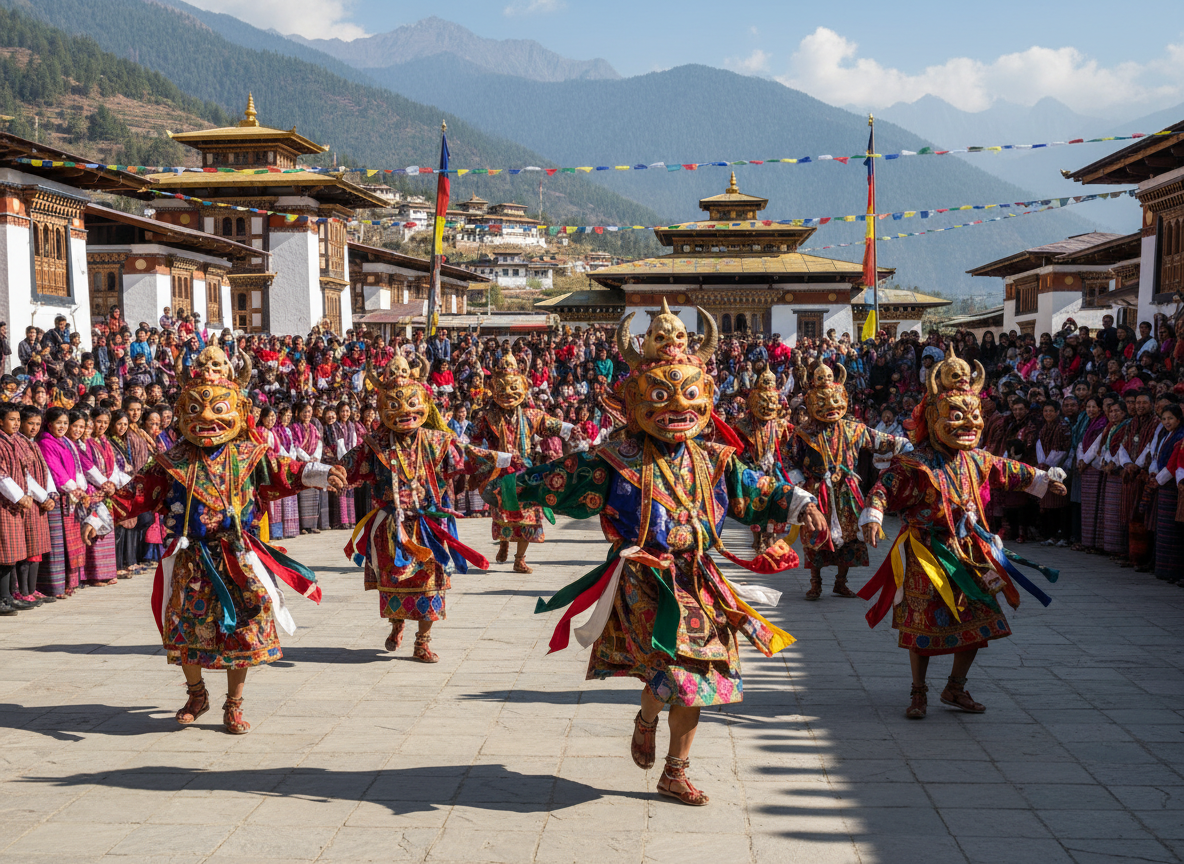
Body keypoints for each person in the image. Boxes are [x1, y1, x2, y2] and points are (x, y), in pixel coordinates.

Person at [87, 347, 346, 735]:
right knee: (184, 627)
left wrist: (320, 473)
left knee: (243, 627)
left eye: (218, 408)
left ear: (238, 411)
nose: (207, 418)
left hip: (235, 556)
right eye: (195, 410)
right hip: (191, 558)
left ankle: (233, 704)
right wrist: (101, 514)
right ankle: (196, 693)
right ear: (181, 412)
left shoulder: (249, 454)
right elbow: (137, 491)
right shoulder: (172, 461)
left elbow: (284, 470)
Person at [858, 351, 1067, 719]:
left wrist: (1045, 480)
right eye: (956, 416)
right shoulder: (915, 462)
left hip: (971, 550)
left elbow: (1009, 469)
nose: (968, 424)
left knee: (979, 618)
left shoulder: (976, 459)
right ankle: (918, 692)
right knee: (923, 620)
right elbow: (884, 487)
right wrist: (873, 515)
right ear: (933, 418)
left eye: (974, 416)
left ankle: (955, 687)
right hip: (926, 549)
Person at [342, 356, 511, 660]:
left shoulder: (435, 440)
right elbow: (348, 467)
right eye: (395, 405)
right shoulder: (375, 443)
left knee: (430, 582)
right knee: (393, 580)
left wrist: (503, 460)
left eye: (411, 403)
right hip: (391, 526)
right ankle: (396, 626)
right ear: (383, 407)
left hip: (426, 526)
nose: (405, 411)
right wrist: (321, 473)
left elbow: (469, 454)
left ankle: (423, 641)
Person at [789, 361, 910, 600]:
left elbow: (880, 440)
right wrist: (800, 483)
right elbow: (791, 459)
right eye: (823, 402)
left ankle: (840, 582)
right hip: (817, 493)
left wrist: (905, 445)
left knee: (850, 537)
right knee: (815, 535)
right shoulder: (804, 432)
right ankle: (815, 583)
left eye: (836, 400)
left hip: (847, 490)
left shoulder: (854, 429)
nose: (831, 407)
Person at [471, 354, 571, 573]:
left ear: (523, 387)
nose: (508, 393)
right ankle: (505, 543)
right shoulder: (486, 417)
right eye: (502, 388)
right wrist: (488, 458)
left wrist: (570, 429)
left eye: (513, 387)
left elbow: (549, 423)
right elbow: (471, 440)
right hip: (500, 472)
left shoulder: (529, 415)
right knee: (504, 514)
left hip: (525, 472)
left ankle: (520, 558)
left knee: (528, 517)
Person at [731, 369, 795, 553]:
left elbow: (787, 444)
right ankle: (758, 538)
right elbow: (737, 447)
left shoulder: (780, 424)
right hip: (753, 469)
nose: (768, 407)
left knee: (777, 504)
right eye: (763, 402)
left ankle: (771, 537)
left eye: (772, 402)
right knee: (756, 505)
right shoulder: (743, 425)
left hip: (773, 469)